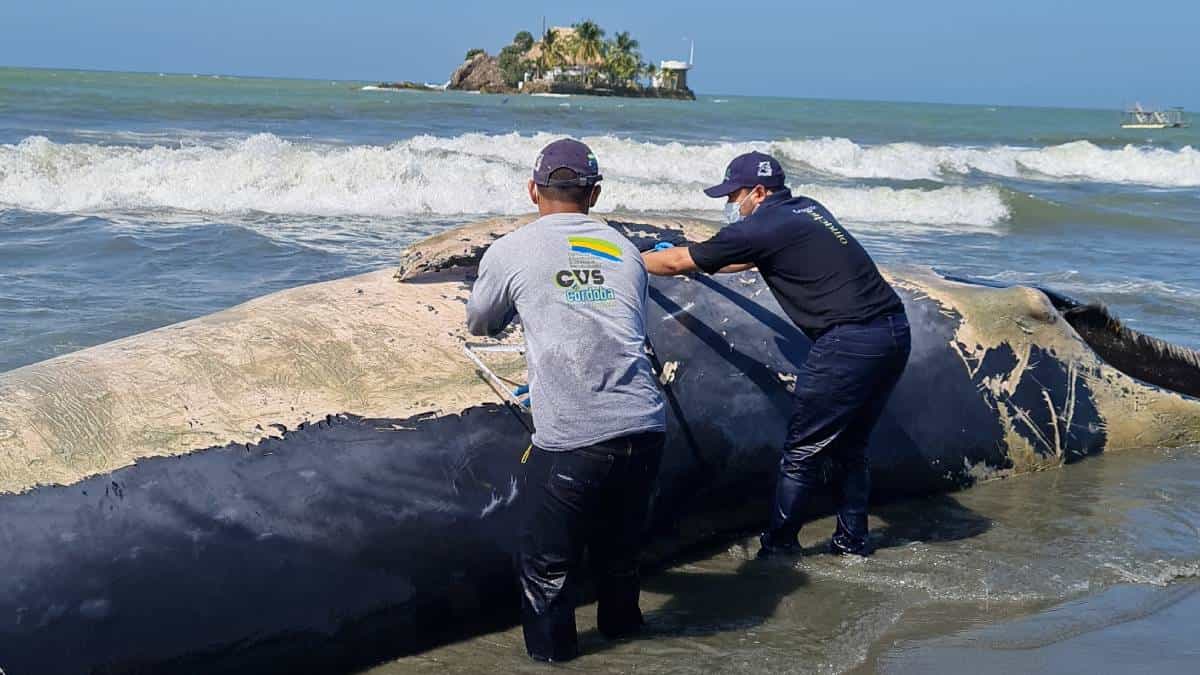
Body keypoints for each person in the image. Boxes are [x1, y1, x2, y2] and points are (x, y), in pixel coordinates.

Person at [641, 151, 910, 558]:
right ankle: (852, 541)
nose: (732, 205)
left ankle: (779, 547)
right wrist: (705, 263)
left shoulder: (761, 225)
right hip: (893, 331)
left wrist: (627, 260)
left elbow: (678, 260)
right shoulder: (806, 209)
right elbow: (748, 256)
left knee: (802, 451)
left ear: (759, 192)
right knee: (849, 446)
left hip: (849, 343)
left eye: (735, 197)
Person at [466, 138, 668, 662]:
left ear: (532, 190)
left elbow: (481, 322)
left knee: (545, 568)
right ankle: (626, 644)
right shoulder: (623, 250)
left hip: (576, 435)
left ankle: (555, 662)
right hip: (646, 425)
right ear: (594, 194)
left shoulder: (511, 249)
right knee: (620, 554)